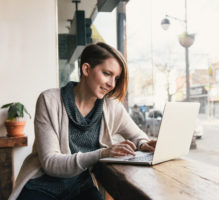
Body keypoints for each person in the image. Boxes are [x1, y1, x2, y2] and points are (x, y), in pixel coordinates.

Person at [10, 42, 156, 200]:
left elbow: (137, 135)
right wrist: (102, 153)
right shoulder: (49, 100)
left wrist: (143, 143)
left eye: (116, 78)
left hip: (80, 187)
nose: (112, 84)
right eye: (107, 73)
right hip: (42, 185)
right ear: (86, 69)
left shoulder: (111, 107)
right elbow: (50, 163)